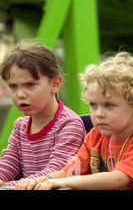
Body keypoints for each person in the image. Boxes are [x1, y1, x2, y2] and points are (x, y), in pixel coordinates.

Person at [14, 51, 133, 190]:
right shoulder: (96, 136)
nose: (99, 114)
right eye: (93, 105)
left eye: (108, 105)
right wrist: (40, 180)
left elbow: (118, 179)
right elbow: (68, 172)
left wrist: (62, 183)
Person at [0, 41, 85, 187]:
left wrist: (10, 186)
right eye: (13, 86)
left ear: (55, 84)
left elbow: (59, 170)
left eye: (30, 85)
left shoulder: (69, 124)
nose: (20, 94)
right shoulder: (20, 125)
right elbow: (10, 161)